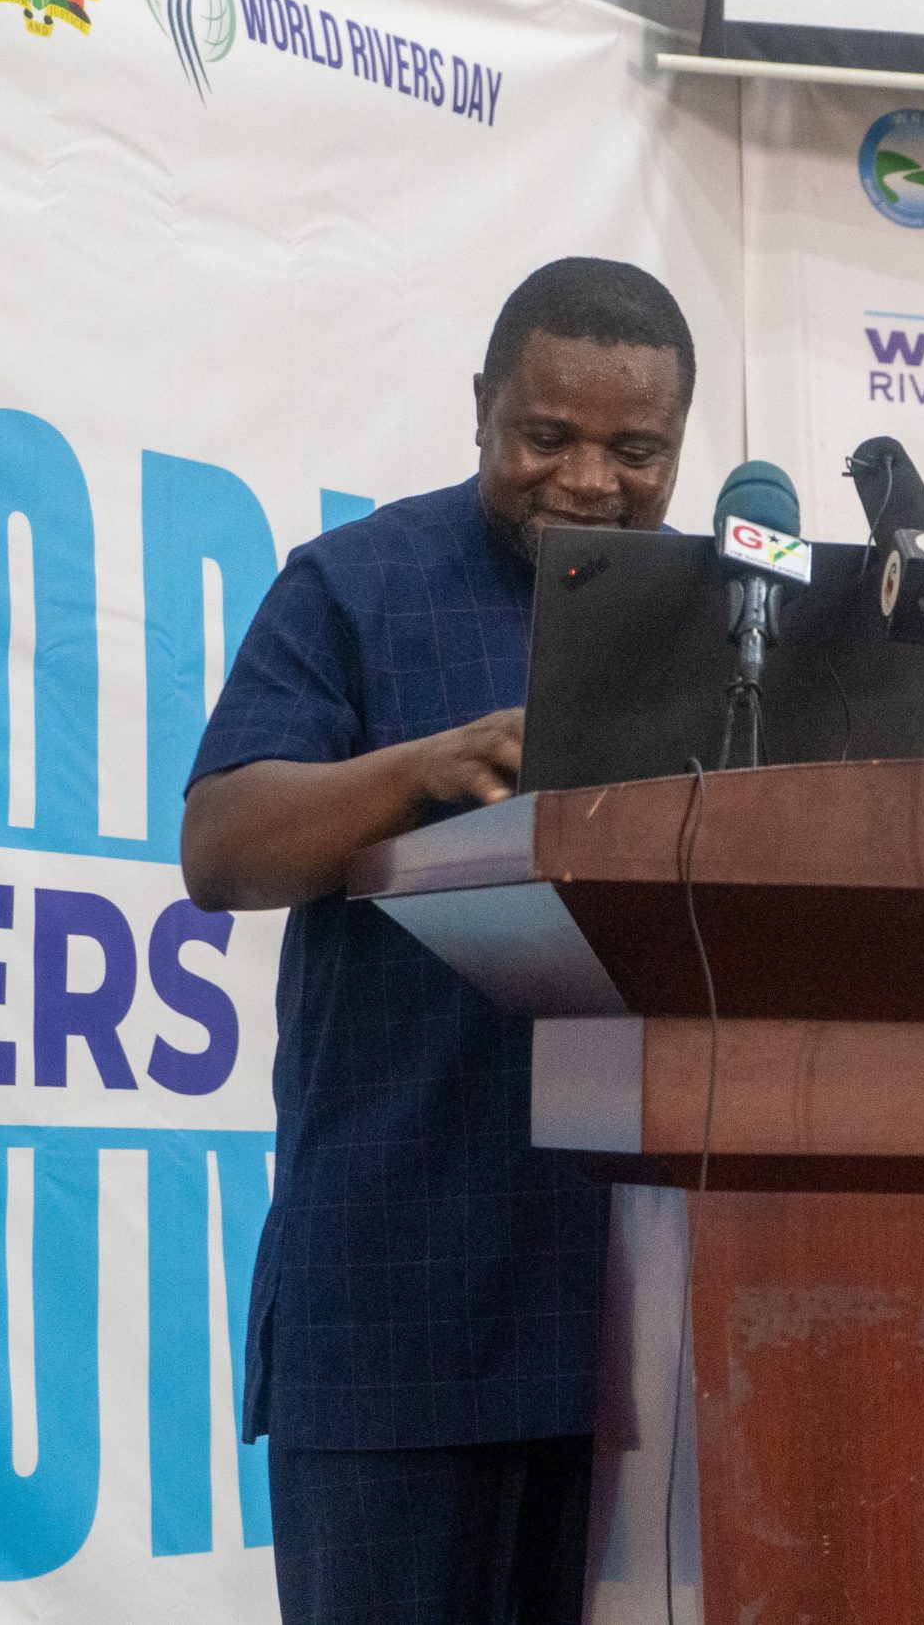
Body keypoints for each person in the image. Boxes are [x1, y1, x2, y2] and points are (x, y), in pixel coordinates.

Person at [179, 256, 697, 1624]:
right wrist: (425, 769)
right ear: (481, 409)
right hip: (400, 1301)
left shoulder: (723, 624)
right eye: (547, 436)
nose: (589, 481)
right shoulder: (355, 588)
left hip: (645, 1321)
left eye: (636, 452)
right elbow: (221, 851)